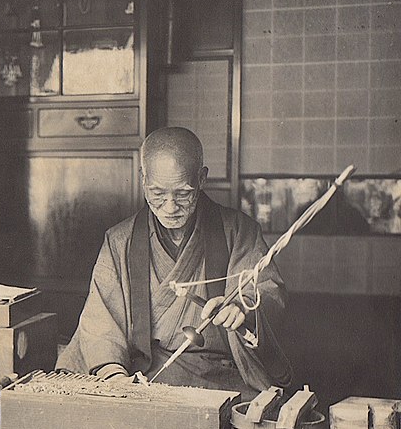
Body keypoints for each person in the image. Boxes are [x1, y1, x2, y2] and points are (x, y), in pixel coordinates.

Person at [57, 127, 292, 398]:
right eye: (158, 193)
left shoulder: (239, 231)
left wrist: (241, 309)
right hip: (145, 377)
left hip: (224, 379)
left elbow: (266, 290)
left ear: (202, 179)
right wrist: (115, 376)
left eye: (183, 193)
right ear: (143, 179)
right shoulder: (120, 241)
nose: (170, 207)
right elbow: (101, 321)